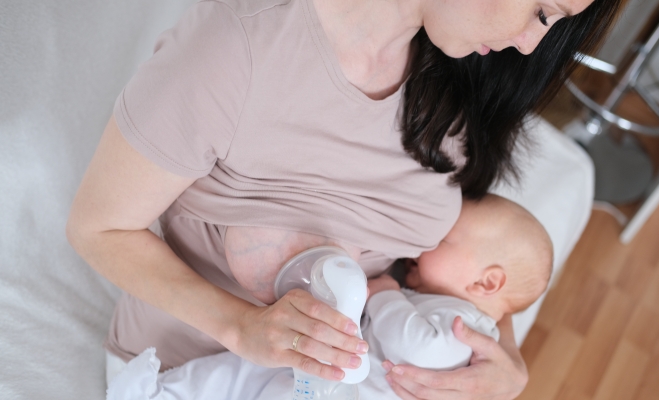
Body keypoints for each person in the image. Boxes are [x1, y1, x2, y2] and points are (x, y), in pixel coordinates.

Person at [66, 0, 620, 397]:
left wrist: (504, 351)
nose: (530, 44)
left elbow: (477, 255)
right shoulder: (238, 47)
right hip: (195, 370)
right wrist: (243, 328)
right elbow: (98, 229)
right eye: (543, 13)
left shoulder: (462, 79)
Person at [105, 194, 553, 400]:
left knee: (251, 379)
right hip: (338, 376)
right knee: (243, 376)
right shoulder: (462, 309)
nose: (423, 246)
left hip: (352, 389)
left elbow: (416, 344)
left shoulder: (464, 326)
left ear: (488, 283)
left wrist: (386, 296)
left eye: (445, 241)